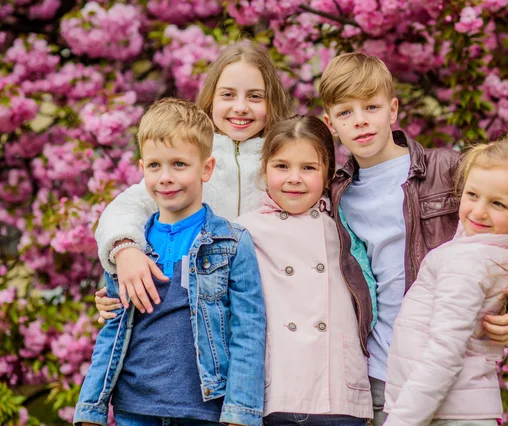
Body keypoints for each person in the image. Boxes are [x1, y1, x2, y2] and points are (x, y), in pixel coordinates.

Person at [319, 53, 508, 426]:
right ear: (331, 123)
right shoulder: (336, 194)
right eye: (345, 112)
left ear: (393, 109)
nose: (361, 120)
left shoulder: (447, 170)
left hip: (452, 364)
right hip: (382, 371)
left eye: (372, 106)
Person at [73, 98, 266, 426]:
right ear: (142, 168)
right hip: (134, 408)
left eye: (179, 164)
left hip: (203, 409)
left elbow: (248, 330)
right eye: (155, 166)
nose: (165, 177)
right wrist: (90, 409)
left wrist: (241, 414)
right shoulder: (131, 249)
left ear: (206, 168)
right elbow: (113, 330)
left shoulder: (232, 243)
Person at [93, 41, 293, 314]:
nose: (241, 107)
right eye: (228, 95)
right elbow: (128, 206)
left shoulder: (284, 163)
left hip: (268, 309)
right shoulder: (190, 160)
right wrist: (125, 250)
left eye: (255, 97)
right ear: (211, 100)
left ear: (272, 102)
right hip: (199, 314)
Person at [383, 136, 508, 426]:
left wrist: (401, 421)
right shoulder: (495, 251)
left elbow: (444, 354)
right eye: (471, 195)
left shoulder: (466, 263)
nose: (479, 211)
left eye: (498, 204)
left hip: (444, 413)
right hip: (461, 409)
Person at [236, 116, 373, 425]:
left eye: (308, 168)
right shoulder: (244, 230)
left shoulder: (345, 227)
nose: (294, 178)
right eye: (282, 166)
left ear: (327, 175)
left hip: (338, 391)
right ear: (265, 169)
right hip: (277, 388)